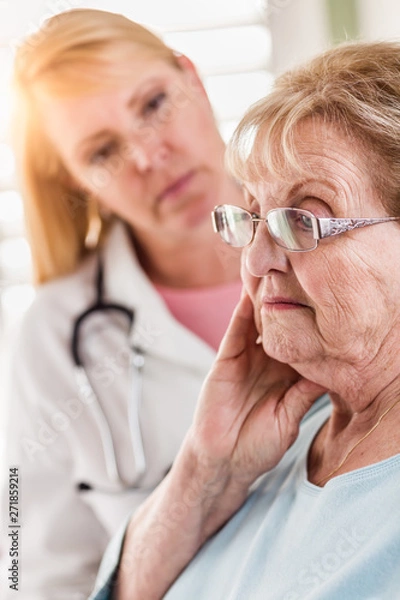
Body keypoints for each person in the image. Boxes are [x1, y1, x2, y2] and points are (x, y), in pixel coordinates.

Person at [90, 40, 400, 600]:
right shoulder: (274, 438)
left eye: (305, 220)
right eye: (252, 217)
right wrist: (205, 471)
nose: (254, 260)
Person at [0, 8, 244, 600]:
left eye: (154, 104)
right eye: (103, 151)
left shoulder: (347, 230)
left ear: (192, 79)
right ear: (77, 181)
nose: (148, 156)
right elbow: (30, 573)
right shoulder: (55, 337)